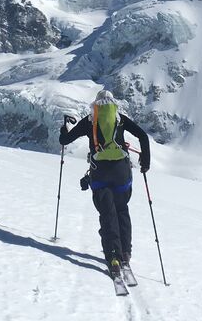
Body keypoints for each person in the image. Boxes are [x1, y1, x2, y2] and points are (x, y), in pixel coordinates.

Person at [59, 89, 151, 279]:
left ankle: (113, 257)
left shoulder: (90, 121)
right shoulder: (120, 119)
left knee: (107, 214)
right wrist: (146, 161)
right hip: (122, 174)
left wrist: (64, 129)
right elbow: (143, 136)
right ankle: (125, 253)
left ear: (96, 105)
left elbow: (65, 140)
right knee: (122, 210)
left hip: (100, 174)